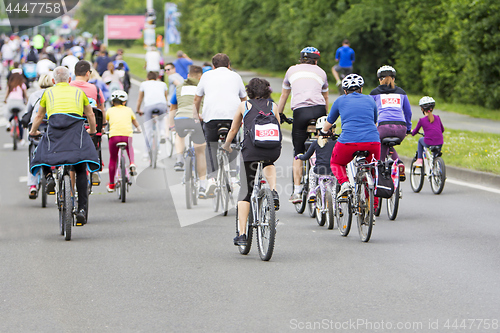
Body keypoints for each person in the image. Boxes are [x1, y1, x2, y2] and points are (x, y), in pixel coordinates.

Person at [29, 66, 99, 225]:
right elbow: (90, 114)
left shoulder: (48, 93)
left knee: (42, 155)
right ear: (69, 80)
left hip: (55, 132)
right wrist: (93, 131)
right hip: (75, 134)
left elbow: (40, 115)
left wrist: (33, 131)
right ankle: (81, 209)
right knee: (80, 167)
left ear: (53, 81)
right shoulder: (79, 93)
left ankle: (48, 179)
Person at [221, 78, 281, 246]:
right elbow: (278, 125)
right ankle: (274, 191)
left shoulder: (244, 106)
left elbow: (234, 129)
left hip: (251, 151)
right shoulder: (273, 106)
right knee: (269, 162)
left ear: (249, 91)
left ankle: (242, 234)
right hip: (272, 149)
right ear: (267, 91)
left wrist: (227, 145)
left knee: (245, 192)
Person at [276, 46, 329, 204]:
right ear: (316, 61)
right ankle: (324, 183)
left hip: (301, 112)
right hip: (319, 110)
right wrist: (325, 118)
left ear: (301, 59)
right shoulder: (321, 72)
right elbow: (325, 98)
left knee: (298, 151)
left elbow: (284, 95)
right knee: (322, 144)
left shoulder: (291, 70)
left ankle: (297, 191)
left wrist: (279, 115)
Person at [193, 53, 247, 197]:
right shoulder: (235, 76)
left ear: (213, 66)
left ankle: (211, 179)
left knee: (210, 146)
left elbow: (197, 98)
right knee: (233, 144)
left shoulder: (206, 76)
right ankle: (233, 177)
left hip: (211, 117)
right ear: (229, 65)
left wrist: (196, 115)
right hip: (232, 116)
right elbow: (244, 97)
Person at [321, 74, 380, 203]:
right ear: (361, 89)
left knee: (336, 163)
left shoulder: (340, 100)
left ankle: (345, 184)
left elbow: (329, 122)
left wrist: (323, 131)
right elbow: (375, 122)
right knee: (372, 170)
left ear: (345, 91)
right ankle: (373, 206)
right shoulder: (370, 100)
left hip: (348, 142)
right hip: (373, 142)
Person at [169, 66, 208, 196]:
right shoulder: (203, 87)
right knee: (200, 152)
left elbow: (173, 107)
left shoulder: (179, 87)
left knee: (179, 135)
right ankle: (203, 185)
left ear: (188, 76)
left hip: (181, 118)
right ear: (200, 77)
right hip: (196, 119)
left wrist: (171, 125)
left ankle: (179, 159)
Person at [370, 65, 411, 178]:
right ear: (394, 79)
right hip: (401, 128)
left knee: (380, 146)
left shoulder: (374, 93)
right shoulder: (401, 92)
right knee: (388, 145)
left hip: (383, 127)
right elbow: (408, 112)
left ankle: (380, 171)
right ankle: (398, 163)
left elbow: (368, 111)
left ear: (379, 79)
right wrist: (408, 128)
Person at [23, 74, 54, 199]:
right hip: (51, 127)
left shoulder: (34, 95)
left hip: (36, 127)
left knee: (32, 153)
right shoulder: (53, 94)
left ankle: (32, 185)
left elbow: (28, 112)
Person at [106, 90, 141, 192]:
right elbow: (134, 121)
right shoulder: (128, 110)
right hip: (126, 136)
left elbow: (105, 122)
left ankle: (111, 184)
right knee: (129, 147)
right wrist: (139, 129)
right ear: (124, 102)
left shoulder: (110, 110)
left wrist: (103, 130)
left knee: (113, 159)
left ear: (112, 102)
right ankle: (132, 162)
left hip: (114, 137)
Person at [295, 116, 336, 202]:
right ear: (332, 131)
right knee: (334, 188)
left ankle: (312, 190)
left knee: (312, 170)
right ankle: (337, 206)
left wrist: (299, 156)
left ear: (318, 131)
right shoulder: (336, 143)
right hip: (333, 171)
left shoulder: (316, 143)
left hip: (319, 171)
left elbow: (306, 157)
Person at [136, 71, 168, 156]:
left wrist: (138, 109)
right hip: (162, 105)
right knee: (161, 119)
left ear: (147, 78)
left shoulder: (144, 84)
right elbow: (165, 97)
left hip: (149, 106)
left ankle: (146, 152)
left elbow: (140, 99)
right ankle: (162, 133)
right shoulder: (162, 84)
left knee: (148, 129)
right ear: (157, 78)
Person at [411, 96, 444, 166]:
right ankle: (440, 172)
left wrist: (411, 132)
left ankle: (419, 159)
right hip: (440, 141)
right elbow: (442, 130)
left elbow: (414, 132)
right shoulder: (437, 118)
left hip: (429, 141)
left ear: (422, 109)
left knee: (420, 140)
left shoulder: (422, 120)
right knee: (436, 157)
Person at [4, 73, 28, 143]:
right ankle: (21, 139)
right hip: (19, 103)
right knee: (20, 120)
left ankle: (9, 122)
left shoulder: (10, 85)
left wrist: (5, 100)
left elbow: (6, 95)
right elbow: (25, 95)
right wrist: (26, 101)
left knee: (8, 111)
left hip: (11, 102)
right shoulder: (22, 85)